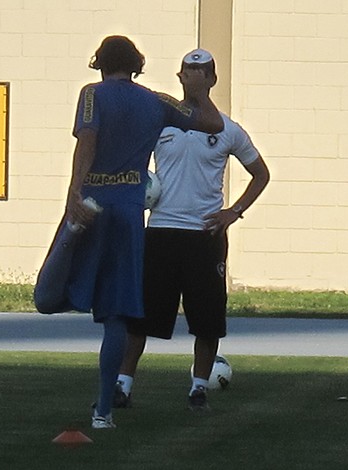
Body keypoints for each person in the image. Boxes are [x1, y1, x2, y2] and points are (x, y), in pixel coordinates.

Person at [34, 36, 224, 429]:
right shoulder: (156, 101)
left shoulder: (92, 95)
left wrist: (75, 192)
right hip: (129, 214)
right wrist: (198, 91)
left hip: (93, 206)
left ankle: (73, 256)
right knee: (117, 315)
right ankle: (103, 411)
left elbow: (87, 141)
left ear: (99, 63)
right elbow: (213, 123)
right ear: (137, 64)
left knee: (46, 298)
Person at [115, 48, 270, 412]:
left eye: (201, 72)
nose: (194, 77)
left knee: (207, 318)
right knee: (141, 316)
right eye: (188, 71)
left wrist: (233, 212)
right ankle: (122, 385)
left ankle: (199, 387)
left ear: (213, 79)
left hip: (205, 235)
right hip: (161, 231)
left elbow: (260, 174)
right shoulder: (160, 124)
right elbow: (132, 161)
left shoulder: (228, 130)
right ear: (180, 77)